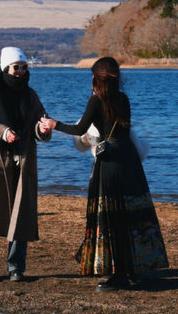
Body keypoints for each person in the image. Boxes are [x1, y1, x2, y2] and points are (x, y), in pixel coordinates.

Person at [38, 56, 168, 291]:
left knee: (111, 217)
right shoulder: (124, 99)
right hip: (129, 161)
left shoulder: (96, 101)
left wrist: (54, 124)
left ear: (97, 79)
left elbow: (79, 129)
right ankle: (132, 269)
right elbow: (122, 132)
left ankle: (117, 276)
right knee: (130, 216)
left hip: (108, 163)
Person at [0, 47, 51, 282]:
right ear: (6, 68)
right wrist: (3, 132)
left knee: (21, 215)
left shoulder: (31, 95)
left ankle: (16, 268)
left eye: (24, 67)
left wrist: (43, 129)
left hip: (25, 162)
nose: (20, 72)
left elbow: (39, 124)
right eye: (16, 67)